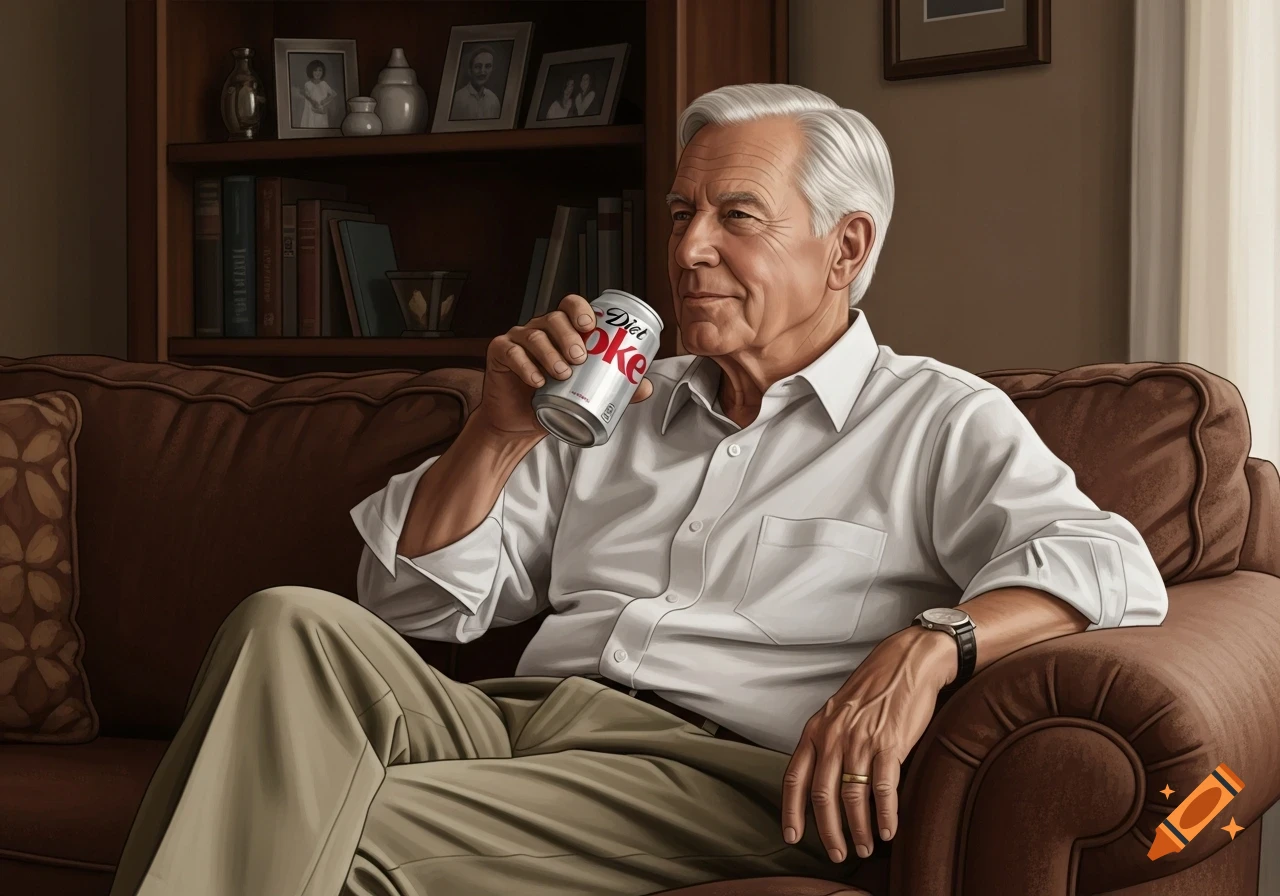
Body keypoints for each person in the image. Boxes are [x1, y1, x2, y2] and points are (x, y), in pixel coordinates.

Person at [108, 83, 1169, 896]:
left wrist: (931, 644)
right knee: (285, 622)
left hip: (711, 774)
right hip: (517, 723)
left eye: (736, 216)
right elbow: (414, 604)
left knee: (326, 829)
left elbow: (1109, 562)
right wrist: (496, 431)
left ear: (845, 247)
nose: (690, 249)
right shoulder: (613, 401)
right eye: (679, 213)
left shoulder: (933, 417)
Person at [451, 45, 501, 120]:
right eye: (478, 66)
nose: (482, 72)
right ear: (470, 70)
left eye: (487, 66)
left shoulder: (494, 100)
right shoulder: (457, 99)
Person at [294, 59, 338, 128]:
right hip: (311, 112)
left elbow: (334, 94)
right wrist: (312, 101)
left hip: (321, 112)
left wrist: (325, 101)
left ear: (323, 72)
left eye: (320, 70)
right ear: (311, 71)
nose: (318, 73)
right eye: (315, 70)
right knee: (311, 125)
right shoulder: (308, 84)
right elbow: (306, 96)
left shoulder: (324, 84)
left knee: (321, 125)